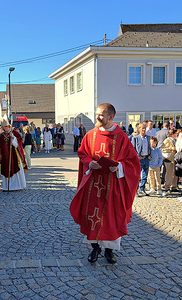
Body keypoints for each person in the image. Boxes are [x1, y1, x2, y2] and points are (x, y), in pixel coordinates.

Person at [70, 103, 140, 264]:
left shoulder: (121, 137)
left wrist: (120, 166)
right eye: (96, 114)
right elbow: (82, 153)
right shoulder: (90, 135)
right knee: (92, 215)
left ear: (111, 117)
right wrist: (89, 162)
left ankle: (109, 251)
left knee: (112, 217)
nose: (97, 117)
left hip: (113, 185)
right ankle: (95, 248)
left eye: (101, 114)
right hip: (93, 185)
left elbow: (132, 160)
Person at [0, 119, 27, 191]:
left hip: (14, 155)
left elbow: (19, 144)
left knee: (14, 168)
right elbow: (1, 144)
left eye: (3, 127)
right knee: (6, 169)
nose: (2, 129)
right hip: (5, 156)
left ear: (7, 126)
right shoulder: (2, 135)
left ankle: (16, 186)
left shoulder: (14, 133)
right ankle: (7, 186)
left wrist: (13, 138)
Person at [132, 123, 152, 196]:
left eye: (144, 128)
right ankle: (136, 190)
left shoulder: (148, 137)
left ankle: (142, 189)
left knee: (145, 175)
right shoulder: (135, 138)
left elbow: (149, 147)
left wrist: (150, 155)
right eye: (142, 128)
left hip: (146, 158)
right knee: (137, 175)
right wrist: (137, 156)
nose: (143, 130)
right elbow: (132, 149)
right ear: (139, 129)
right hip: (139, 159)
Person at [161, 128, 178, 194]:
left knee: (175, 173)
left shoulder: (176, 140)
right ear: (172, 134)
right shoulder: (167, 140)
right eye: (176, 133)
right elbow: (163, 149)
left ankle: (174, 186)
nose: (177, 134)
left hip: (175, 159)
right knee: (169, 173)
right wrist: (171, 148)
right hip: (168, 159)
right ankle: (167, 187)